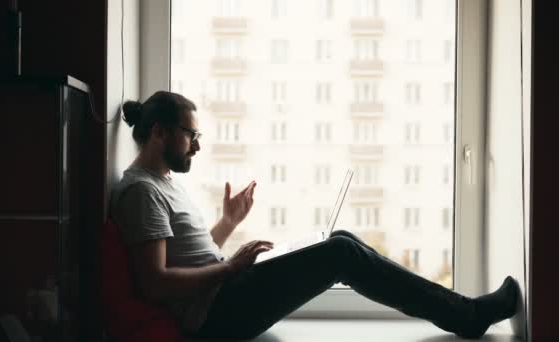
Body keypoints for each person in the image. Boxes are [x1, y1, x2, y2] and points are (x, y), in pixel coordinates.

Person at [110, 91, 519, 340]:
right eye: (191, 135)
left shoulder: (161, 183)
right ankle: (467, 316)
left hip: (223, 295)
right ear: (161, 132)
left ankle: (462, 312)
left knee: (336, 237)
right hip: (218, 316)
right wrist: (231, 268)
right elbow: (155, 284)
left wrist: (228, 223)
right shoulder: (142, 192)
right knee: (339, 252)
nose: (197, 146)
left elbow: (190, 258)